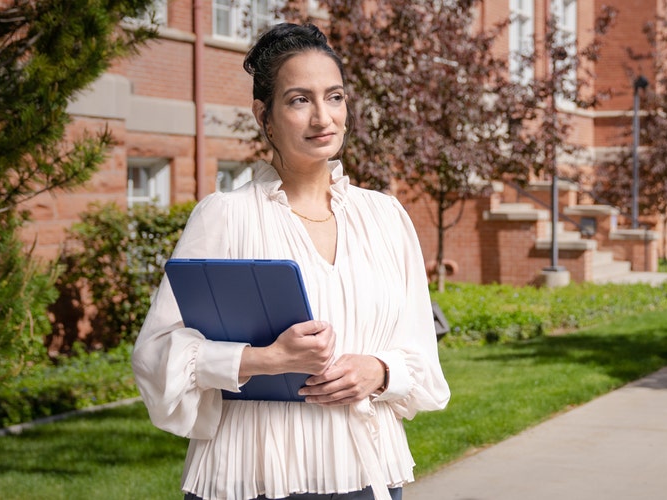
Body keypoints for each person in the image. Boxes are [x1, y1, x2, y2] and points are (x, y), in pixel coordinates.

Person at [132, 22, 450, 500]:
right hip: (252, 471)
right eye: (300, 100)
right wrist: (263, 360)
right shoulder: (225, 217)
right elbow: (155, 356)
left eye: (335, 97)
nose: (324, 117)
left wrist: (380, 371)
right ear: (265, 115)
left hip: (365, 470)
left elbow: (422, 358)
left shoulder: (385, 217)